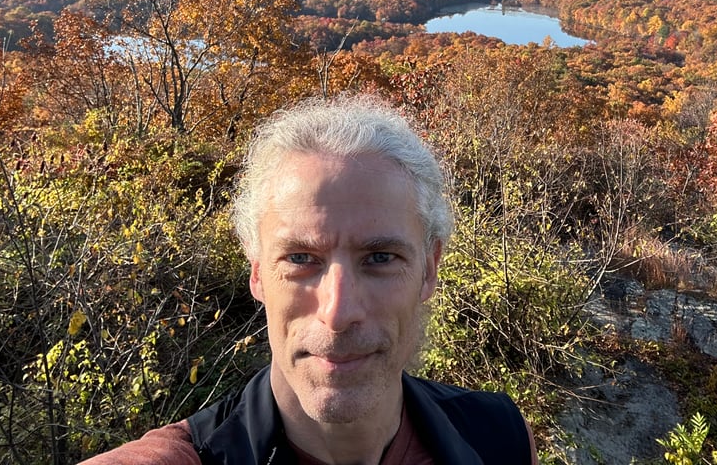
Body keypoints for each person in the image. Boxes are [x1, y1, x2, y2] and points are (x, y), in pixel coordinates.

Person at [81, 95, 538, 465]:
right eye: (301, 258)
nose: (338, 313)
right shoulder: (182, 458)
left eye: (380, 257)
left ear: (429, 270)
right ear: (258, 272)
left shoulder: (499, 437)